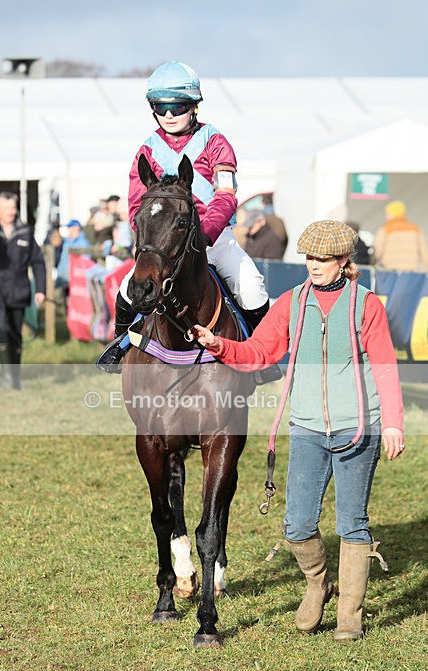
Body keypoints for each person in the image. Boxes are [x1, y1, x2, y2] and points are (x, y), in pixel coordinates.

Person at [192, 220, 405, 641]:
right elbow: (258, 352)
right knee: (297, 525)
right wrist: (219, 345)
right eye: (308, 257)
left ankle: (349, 613)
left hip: (358, 429)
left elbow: (384, 365)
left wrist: (394, 422)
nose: (314, 265)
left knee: (352, 524)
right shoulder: (291, 303)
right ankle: (317, 583)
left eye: (323, 259)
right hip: (306, 429)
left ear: (344, 261)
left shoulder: (367, 306)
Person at [96, 60, 269, 370]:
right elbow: (138, 205)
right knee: (126, 291)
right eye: (161, 107)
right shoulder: (146, 151)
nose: (169, 115)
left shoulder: (215, 142)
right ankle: (120, 347)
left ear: (193, 107)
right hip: (165, 244)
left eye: (177, 106)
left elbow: (226, 196)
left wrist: (206, 234)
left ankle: (261, 358)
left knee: (252, 289)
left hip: (211, 238)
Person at [0, 192, 46, 390]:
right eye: (6, 208)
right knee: (1, 330)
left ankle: (15, 378)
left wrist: (41, 290)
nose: (11, 212)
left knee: (15, 335)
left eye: (13, 207)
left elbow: (38, 261)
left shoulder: (25, 231)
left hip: (19, 291)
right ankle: (7, 378)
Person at [373, 200, 428, 272]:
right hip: (411, 270)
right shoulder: (415, 229)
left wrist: (372, 262)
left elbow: (377, 251)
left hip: (391, 270)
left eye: (387, 213)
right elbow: (424, 251)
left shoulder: (385, 229)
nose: (386, 216)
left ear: (391, 214)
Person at [55, 218, 91, 298]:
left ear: (76, 228)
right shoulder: (66, 241)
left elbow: (85, 261)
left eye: (70, 227)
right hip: (63, 278)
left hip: (75, 280)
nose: (68, 230)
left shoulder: (83, 243)